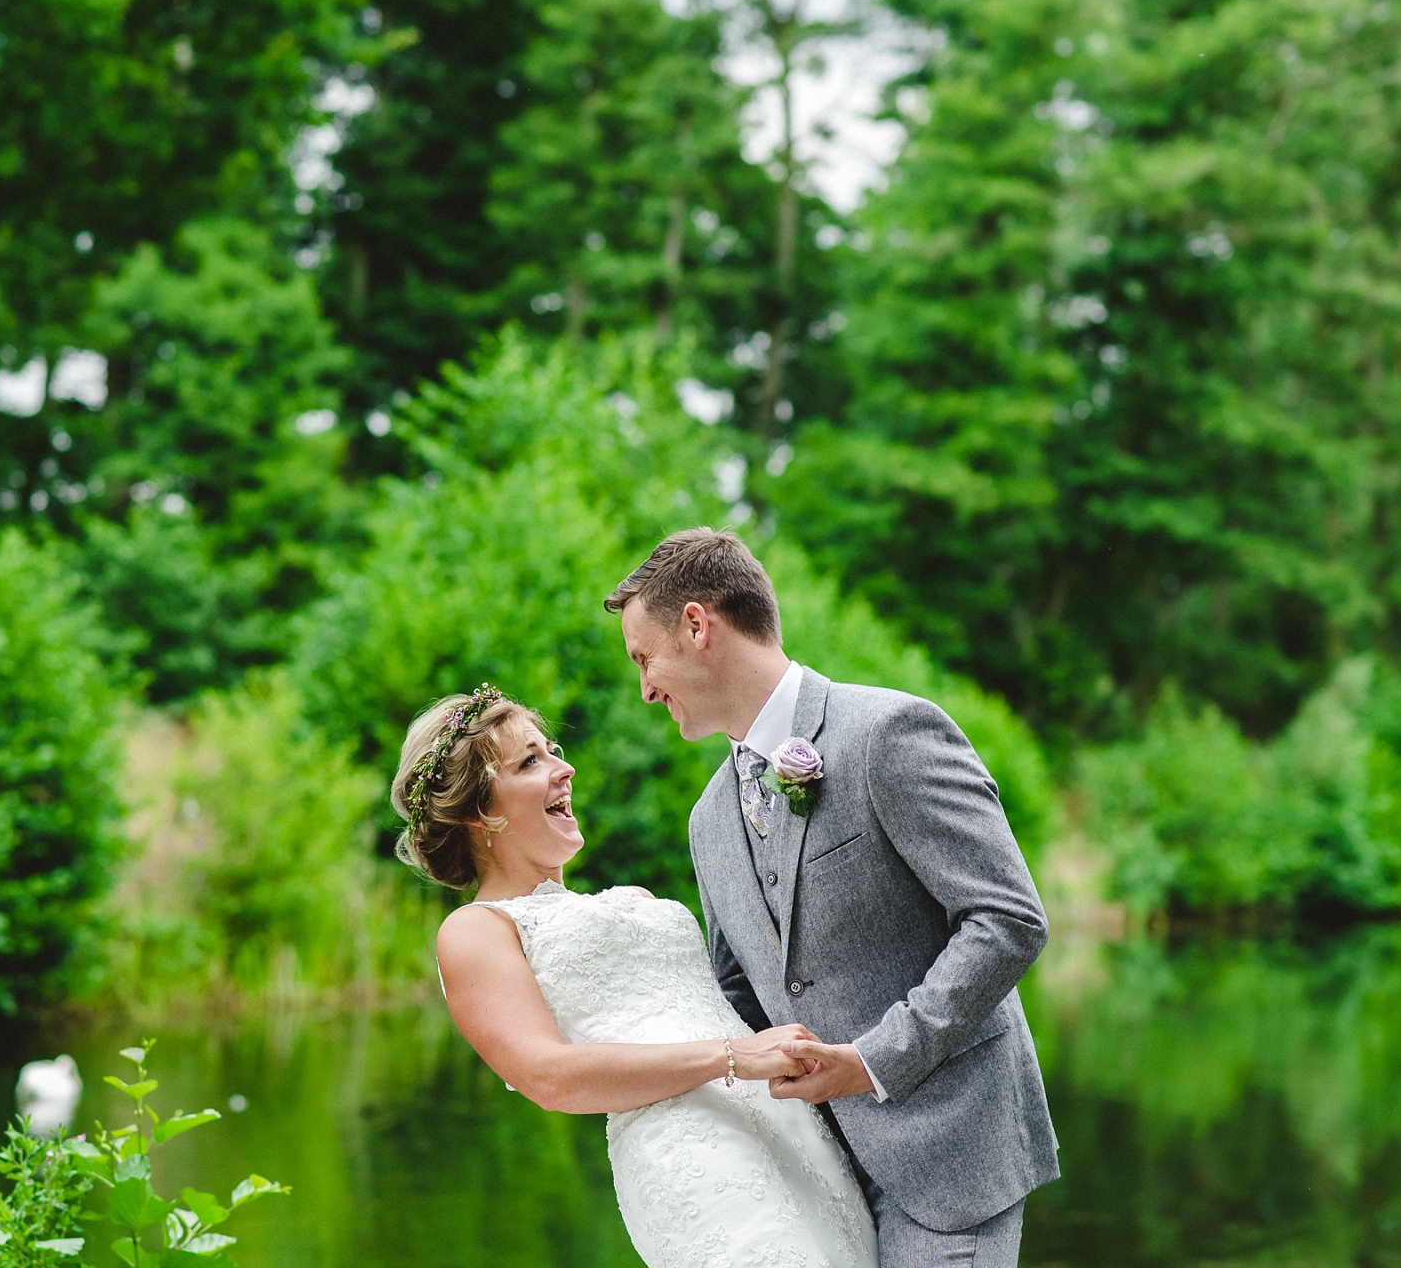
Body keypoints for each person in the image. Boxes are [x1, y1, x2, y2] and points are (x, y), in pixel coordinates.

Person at [606, 528, 1059, 1268]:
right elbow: (741, 996)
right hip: (813, 1184)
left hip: (949, 1159)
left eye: (643, 658)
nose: (645, 687)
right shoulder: (708, 821)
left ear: (697, 625)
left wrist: (875, 1060)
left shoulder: (890, 732)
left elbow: (1007, 918)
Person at [394, 686, 879, 1268]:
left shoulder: (636, 900)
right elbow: (549, 1077)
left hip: (789, 1133)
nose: (564, 768)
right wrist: (737, 1058)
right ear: (479, 810)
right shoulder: (478, 930)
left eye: (552, 750)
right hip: (691, 1155)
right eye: (530, 761)